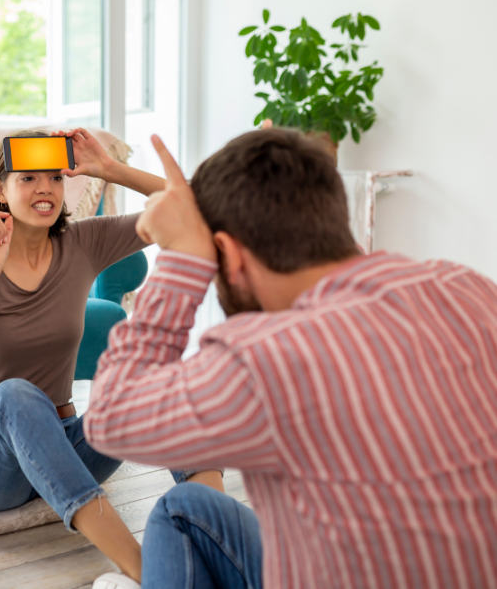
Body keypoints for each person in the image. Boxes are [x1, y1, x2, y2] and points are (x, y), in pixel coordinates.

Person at [85, 127, 497, 589]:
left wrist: (182, 261)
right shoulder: (467, 288)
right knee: (184, 508)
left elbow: (110, 417)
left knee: (175, 514)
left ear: (229, 256)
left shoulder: (266, 356)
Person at [0, 129, 224, 582]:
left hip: (65, 444)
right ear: (1, 190)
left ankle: (219, 542)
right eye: (28, 178)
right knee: (16, 395)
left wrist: (110, 170)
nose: (44, 188)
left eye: (54, 178)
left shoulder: (83, 242)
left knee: (159, 377)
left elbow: (197, 210)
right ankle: (148, 573)